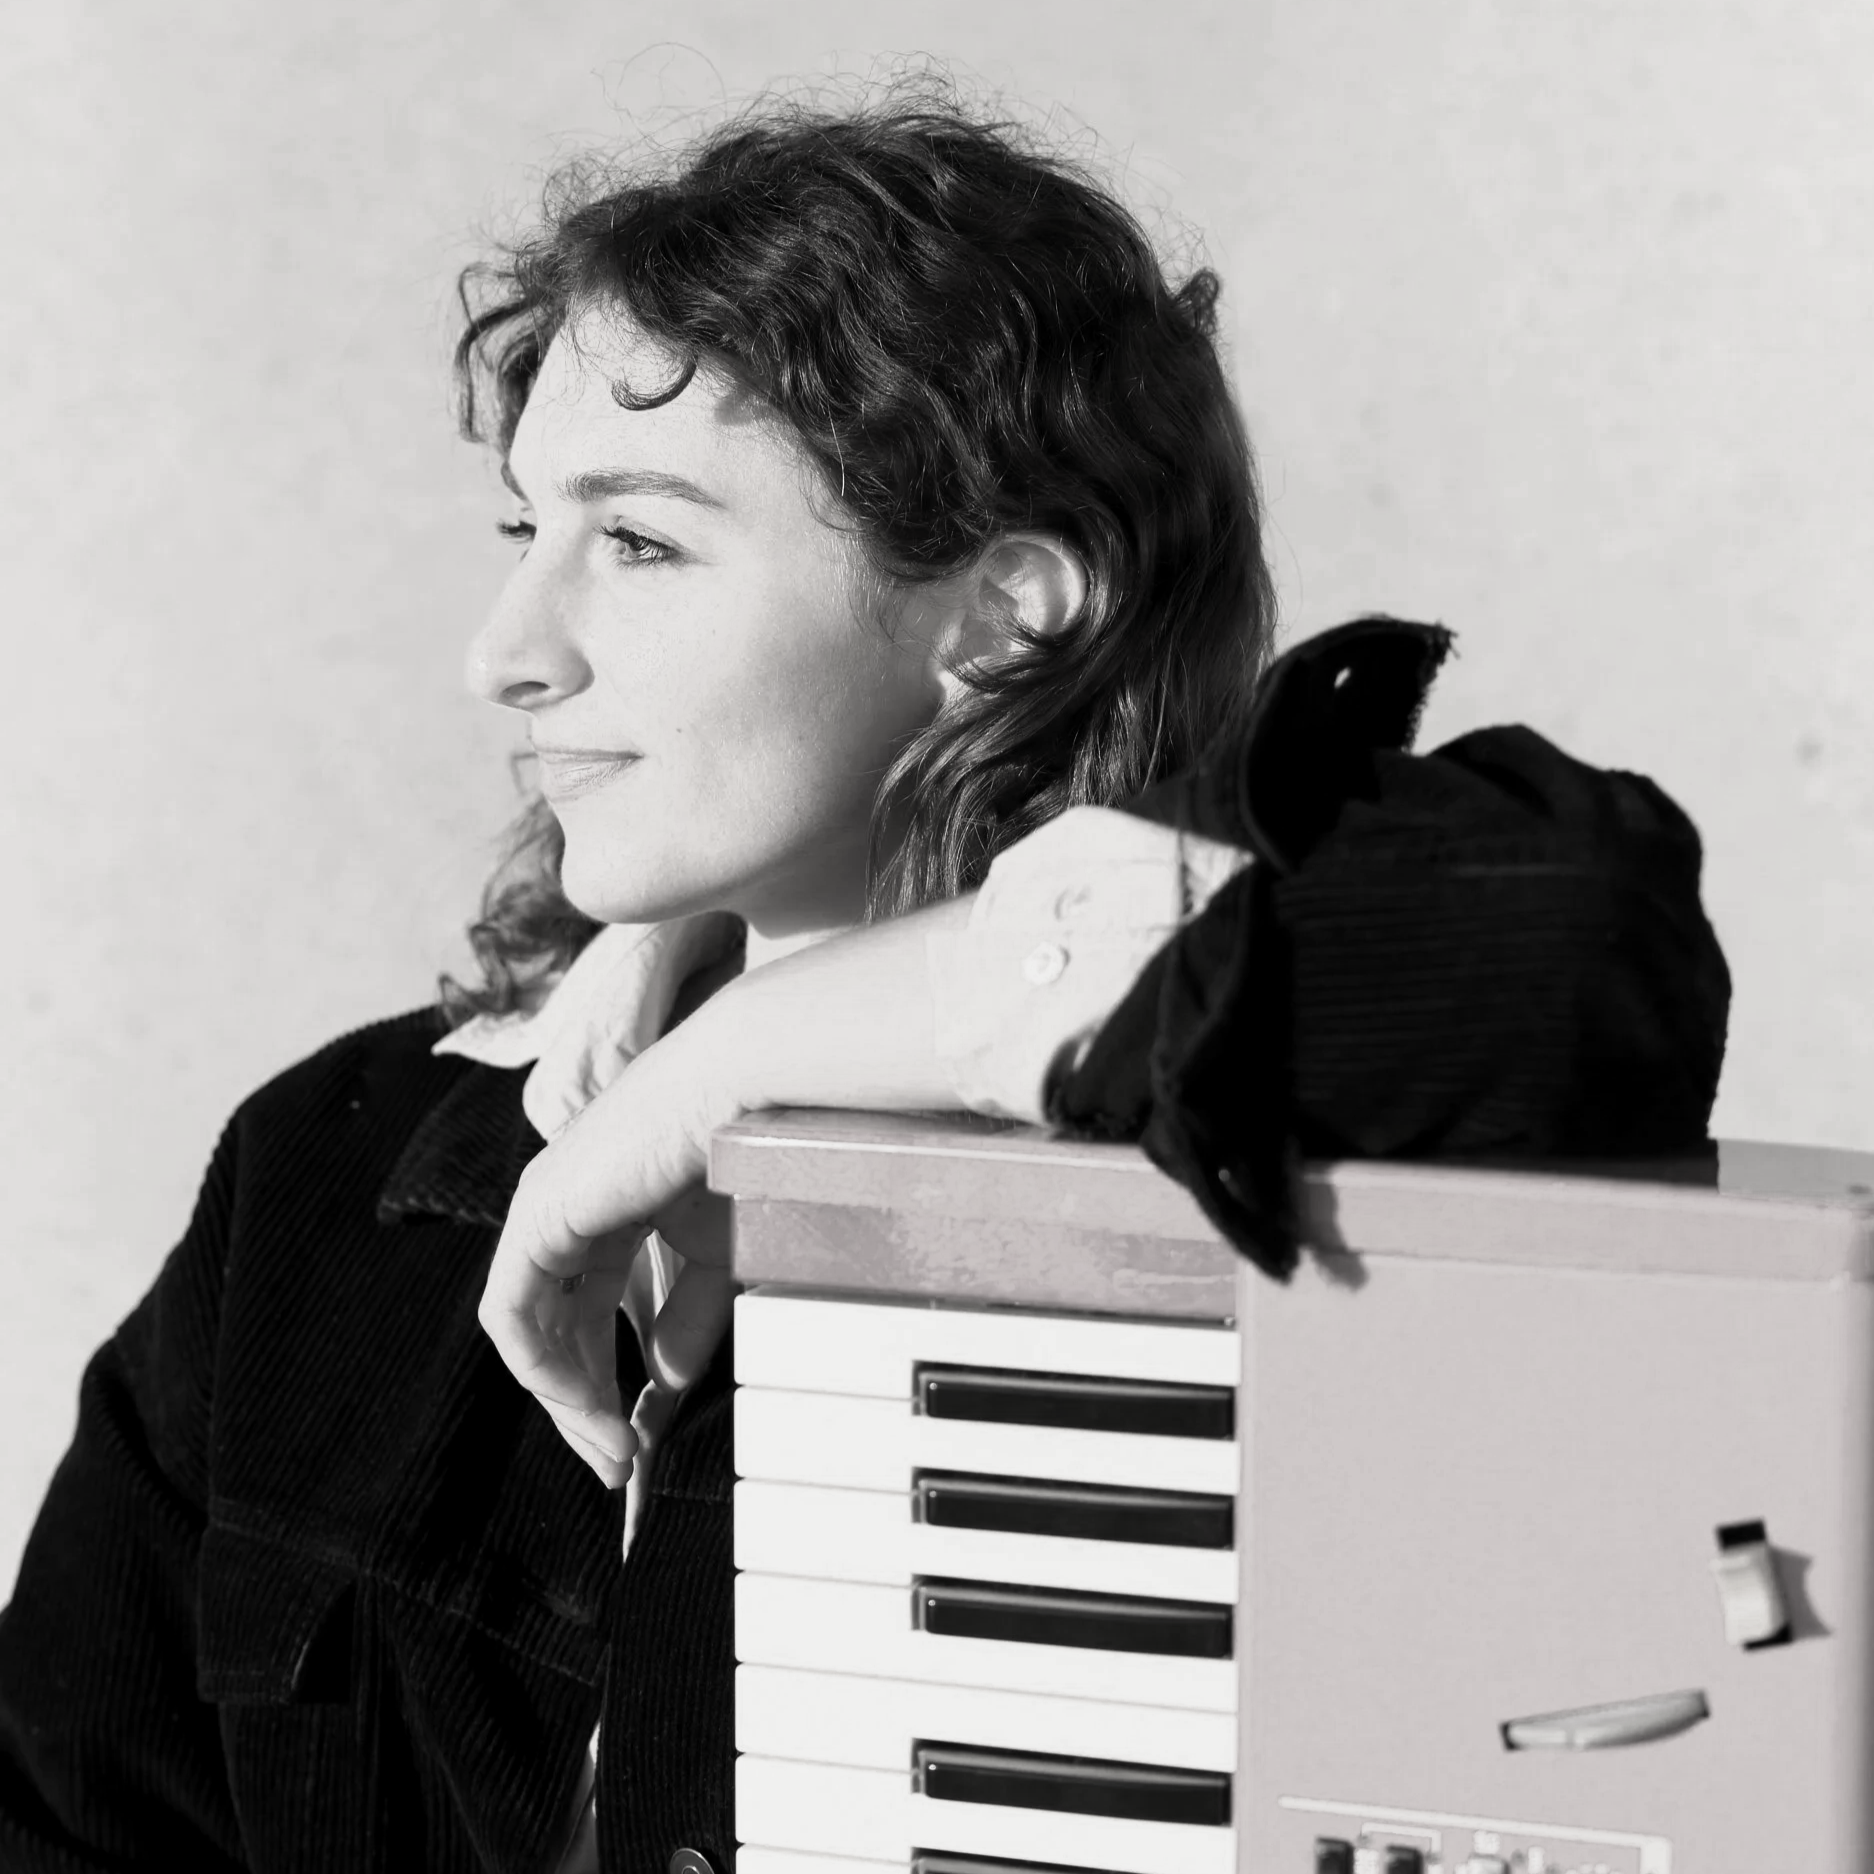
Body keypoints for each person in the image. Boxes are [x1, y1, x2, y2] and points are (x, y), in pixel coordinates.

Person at [0, 92, 1728, 1874]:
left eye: (643, 541)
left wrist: (750, 1053)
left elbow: (1564, 927)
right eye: (525, 535)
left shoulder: (1278, 1150)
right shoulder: (328, 1174)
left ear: (1005, 613)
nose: (505, 655)